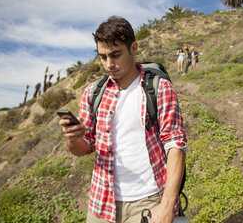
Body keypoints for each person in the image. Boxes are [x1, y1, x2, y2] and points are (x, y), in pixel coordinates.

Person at [59, 16, 187, 223]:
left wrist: (167, 204)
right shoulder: (92, 92)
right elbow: (83, 149)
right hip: (101, 203)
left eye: (115, 54)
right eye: (102, 57)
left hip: (149, 201)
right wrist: (72, 139)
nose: (109, 64)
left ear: (133, 48)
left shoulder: (159, 88)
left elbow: (175, 145)